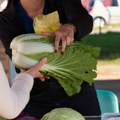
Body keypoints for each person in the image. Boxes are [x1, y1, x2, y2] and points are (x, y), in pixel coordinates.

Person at [0, 0, 101, 119]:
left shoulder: (61, 2)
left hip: (78, 93)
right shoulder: (4, 20)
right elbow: (18, 63)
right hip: (37, 102)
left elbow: (85, 20)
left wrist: (71, 27)